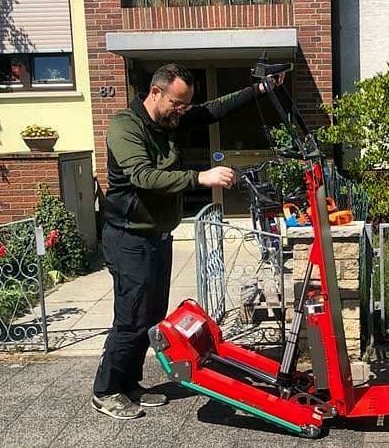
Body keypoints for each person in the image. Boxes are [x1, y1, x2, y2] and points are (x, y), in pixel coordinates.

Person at [92, 63, 283, 420]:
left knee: (149, 316)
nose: (181, 112)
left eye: (185, 105)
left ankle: (130, 385)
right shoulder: (125, 126)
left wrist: (257, 90)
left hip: (156, 235)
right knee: (130, 318)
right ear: (155, 93)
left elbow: (212, 110)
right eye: (177, 104)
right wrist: (200, 177)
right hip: (128, 237)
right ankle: (106, 390)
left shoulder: (169, 120)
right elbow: (143, 176)